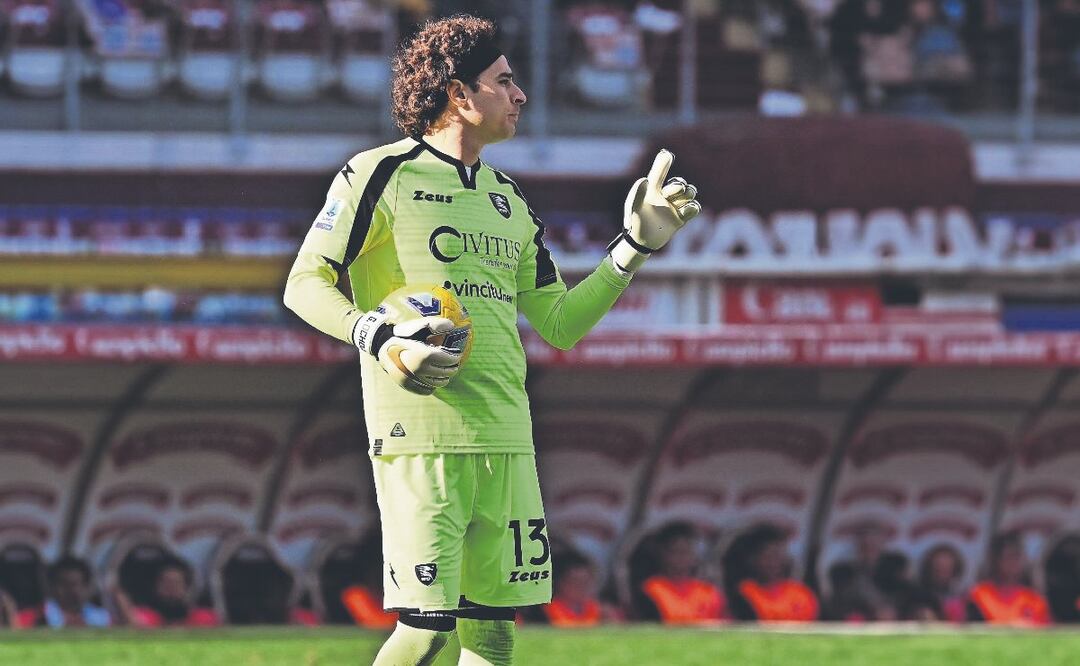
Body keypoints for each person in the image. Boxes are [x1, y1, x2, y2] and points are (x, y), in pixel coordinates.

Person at [282, 13, 701, 666]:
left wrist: (634, 248)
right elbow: (304, 284)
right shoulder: (379, 175)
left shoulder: (508, 199)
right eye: (504, 81)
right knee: (424, 630)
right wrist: (373, 330)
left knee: (494, 636)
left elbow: (561, 322)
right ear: (457, 92)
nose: (520, 95)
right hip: (423, 438)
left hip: (507, 443)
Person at [633, 522, 724, 624]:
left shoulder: (708, 592)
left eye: (686, 552)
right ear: (664, 555)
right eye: (676, 552)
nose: (681, 558)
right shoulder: (651, 588)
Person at [723, 524, 818, 622]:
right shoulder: (744, 592)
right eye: (767, 557)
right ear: (752, 560)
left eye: (777, 556)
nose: (773, 563)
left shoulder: (799, 593)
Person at [967, 532, 1050, 626]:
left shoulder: (1034, 600)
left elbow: (1045, 633)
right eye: (1008, 556)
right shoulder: (980, 594)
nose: (1013, 562)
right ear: (996, 559)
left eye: (1017, 556)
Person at [533, 549, 619, 627]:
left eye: (586, 582)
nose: (582, 588)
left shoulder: (599, 611)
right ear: (559, 583)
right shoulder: (544, 613)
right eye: (576, 582)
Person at [120, 561, 219, 628]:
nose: (171, 588)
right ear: (156, 587)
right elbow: (137, 626)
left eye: (177, 583)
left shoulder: (202, 617)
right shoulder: (147, 616)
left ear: (186, 587)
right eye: (166, 582)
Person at [38, 556, 111, 628]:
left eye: (73, 584)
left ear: (86, 587)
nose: (68, 590)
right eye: (63, 584)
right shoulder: (41, 614)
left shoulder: (101, 617)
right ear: (52, 586)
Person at [918, 543, 967, 622]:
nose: (941, 574)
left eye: (946, 569)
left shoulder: (963, 597)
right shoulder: (918, 597)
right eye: (938, 569)